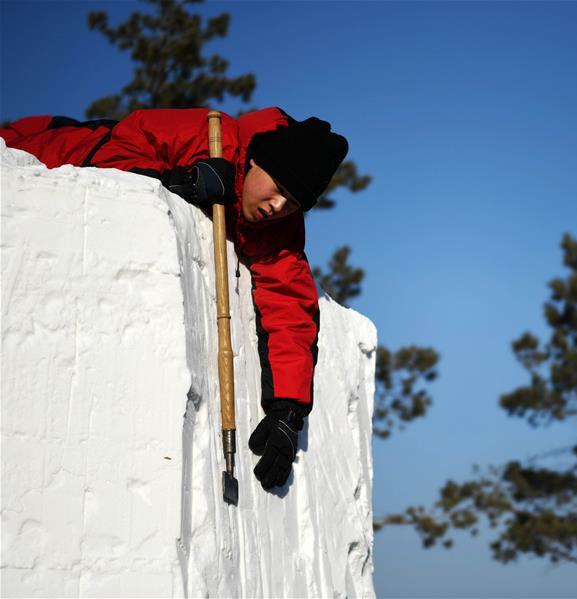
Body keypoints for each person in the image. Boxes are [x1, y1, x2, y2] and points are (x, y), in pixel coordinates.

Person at [0, 107, 348, 492]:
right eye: (279, 187)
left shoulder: (280, 230)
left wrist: (288, 411)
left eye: (294, 203)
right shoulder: (210, 135)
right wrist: (184, 180)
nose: (279, 207)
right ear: (255, 161)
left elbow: (290, 308)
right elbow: (112, 152)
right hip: (36, 150)